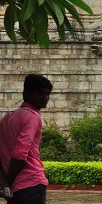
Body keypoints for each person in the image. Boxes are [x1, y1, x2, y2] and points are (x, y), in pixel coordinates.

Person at [0, 74, 52, 204]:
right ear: (26, 93)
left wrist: (4, 182)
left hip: (14, 188)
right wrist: (9, 179)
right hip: (31, 184)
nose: (45, 98)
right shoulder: (32, 116)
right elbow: (19, 154)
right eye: (40, 94)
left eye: (48, 94)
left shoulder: (7, 118)